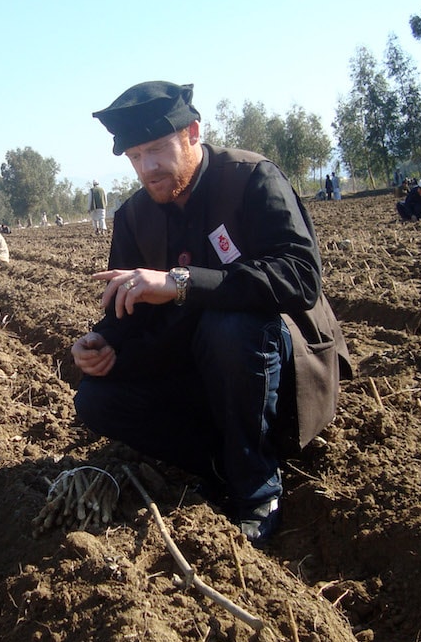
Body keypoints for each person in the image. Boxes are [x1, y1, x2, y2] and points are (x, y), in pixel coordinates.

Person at [70, 81, 351, 544]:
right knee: (96, 399)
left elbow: (300, 276)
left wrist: (181, 282)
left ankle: (256, 486)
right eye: (136, 157)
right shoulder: (134, 216)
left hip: (280, 365)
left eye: (157, 150)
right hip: (197, 367)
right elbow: (132, 311)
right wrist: (105, 341)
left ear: (193, 133)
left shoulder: (251, 178)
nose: (148, 168)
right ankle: (220, 460)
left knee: (230, 325)